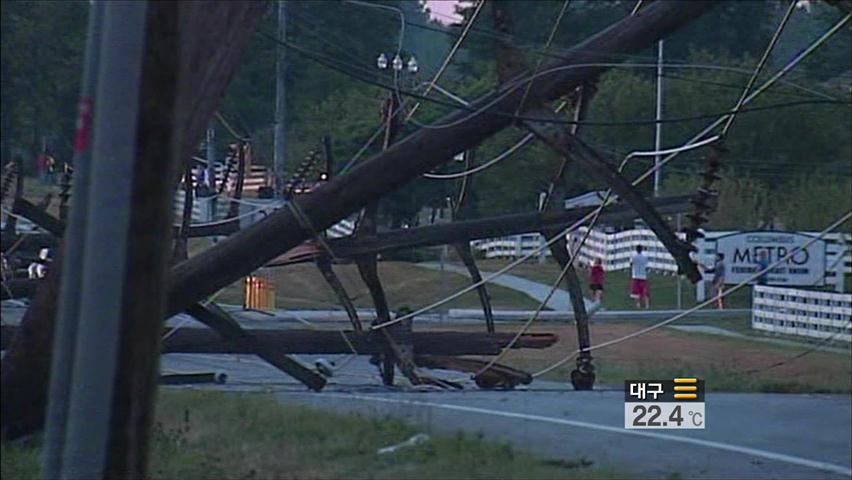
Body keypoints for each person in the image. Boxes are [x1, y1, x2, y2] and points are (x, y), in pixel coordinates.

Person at [630, 245, 650, 309]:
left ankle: (638, 305)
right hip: (643, 276)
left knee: (636, 292)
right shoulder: (645, 257)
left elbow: (631, 264)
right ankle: (647, 305)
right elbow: (647, 266)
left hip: (635, 276)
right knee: (645, 292)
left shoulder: (634, 256)